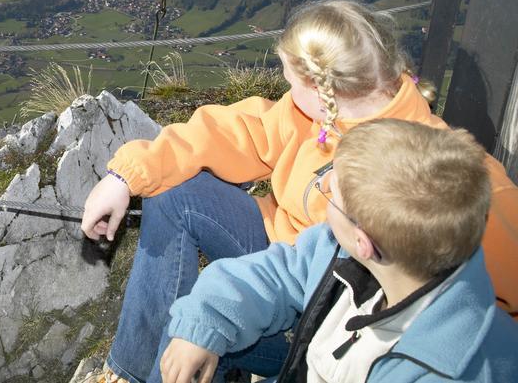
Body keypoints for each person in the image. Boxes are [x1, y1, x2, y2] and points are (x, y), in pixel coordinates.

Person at [80, 0, 518, 383]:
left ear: (323, 90)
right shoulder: (311, 115)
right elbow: (241, 130)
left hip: (321, 317)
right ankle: (132, 372)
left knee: (203, 330)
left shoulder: (445, 176)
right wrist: (126, 177)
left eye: (292, 83)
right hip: (287, 268)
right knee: (177, 196)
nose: (287, 93)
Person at [158, 120, 518, 383]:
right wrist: (203, 322)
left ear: (364, 242)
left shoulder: (447, 371)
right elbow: (278, 273)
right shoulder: (357, 253)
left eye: (333, 192)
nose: (325, 185)